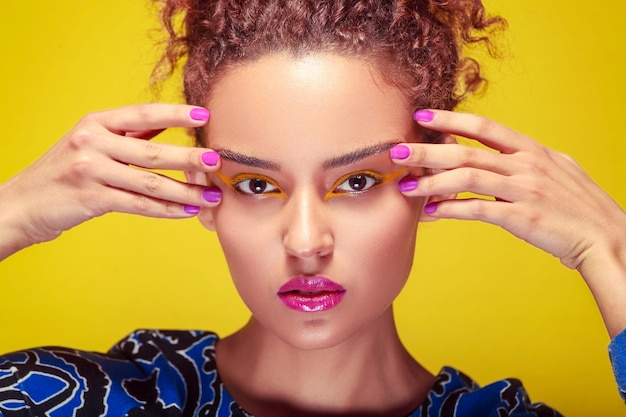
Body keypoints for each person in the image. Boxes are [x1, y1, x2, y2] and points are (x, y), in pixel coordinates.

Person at [0, 1, 625, 416]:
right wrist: (11, 216)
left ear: (434, 176)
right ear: (206, 194)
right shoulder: (84, 400)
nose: (305, 242)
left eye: (356, 182)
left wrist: (614, 250)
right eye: (255, 185)